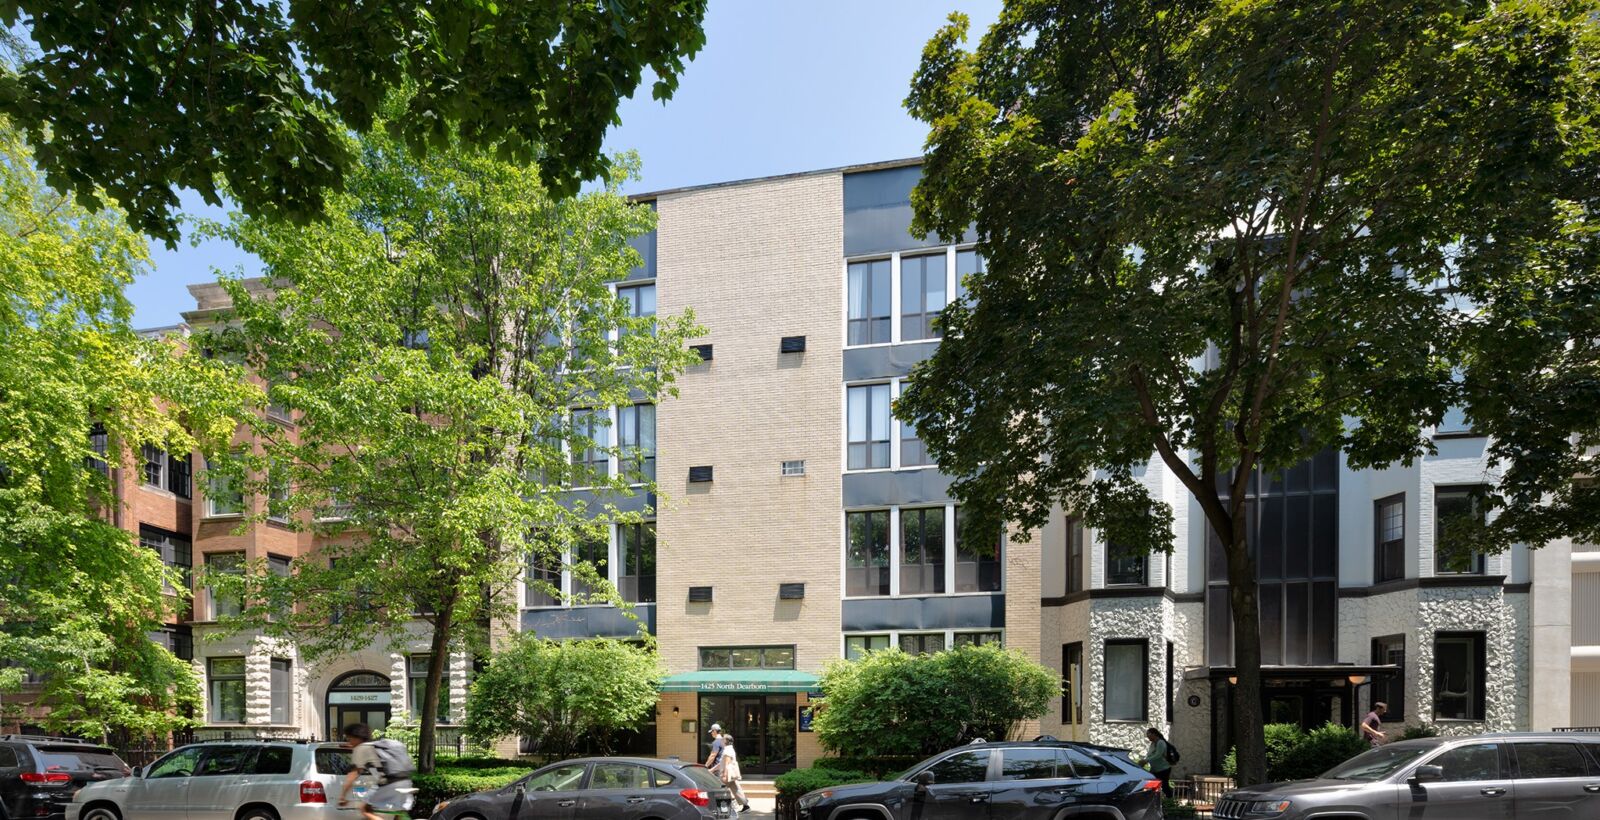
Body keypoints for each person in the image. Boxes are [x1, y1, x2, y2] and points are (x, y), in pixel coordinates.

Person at [338, 723, 414, 820]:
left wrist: (342, 796)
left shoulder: (361, 748)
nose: (350, 742)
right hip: (406, 781)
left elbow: (353, 774)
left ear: (356, 737)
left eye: (350, 739)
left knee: (365, 809)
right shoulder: (378, 745)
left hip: (389, 783)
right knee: (399, 812)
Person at [715, 733, 751, 813]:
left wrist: (724, 775)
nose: (721, 740)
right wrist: (711, 770)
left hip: (727, 774)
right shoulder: (729, 749)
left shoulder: (727, 750)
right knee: (736, 790)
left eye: (723, 739)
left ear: (726, 741)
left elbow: (727, 763)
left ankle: (726, 806)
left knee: (719, 789)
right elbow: (721, 763)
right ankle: (745, 805)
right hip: (730, 775)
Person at [1140, 727, 1174, 797]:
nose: (1147, 737)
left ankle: (1170, 801)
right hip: (1155, 769)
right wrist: (1144, 761)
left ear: (1154, 734)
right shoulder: (1152, 744)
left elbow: (1158, 755)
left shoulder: (1160, 742)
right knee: (1152, 785)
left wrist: (1146, 760)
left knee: (1164, 786)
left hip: (1163, 769)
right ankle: (1154, 800)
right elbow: (1150, 755)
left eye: (1148, 734)